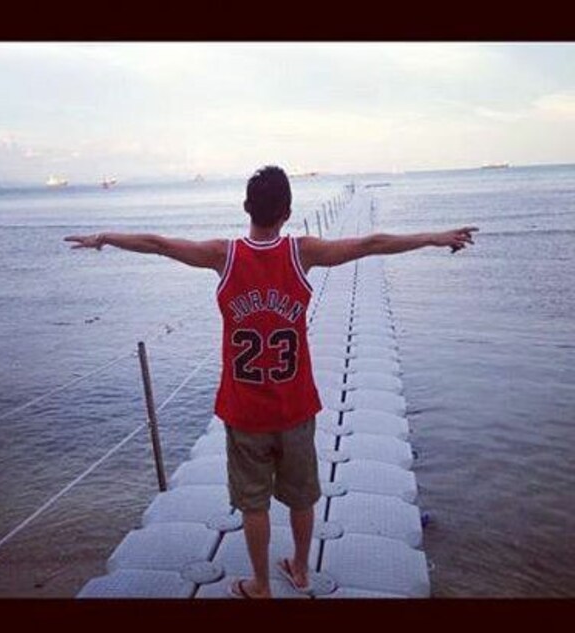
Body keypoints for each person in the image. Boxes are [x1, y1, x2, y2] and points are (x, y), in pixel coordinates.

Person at [65, 165, 478, 599]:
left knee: (253, 504)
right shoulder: (302, 253)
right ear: (288, 212)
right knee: (302, 498)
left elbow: (159, 244)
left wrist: (105, 237)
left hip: (244, 412)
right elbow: (372, 244)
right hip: (295, 407)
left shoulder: (224, 256)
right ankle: (300, 569)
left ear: (246, 207)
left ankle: (260, 585)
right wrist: (433, 237)